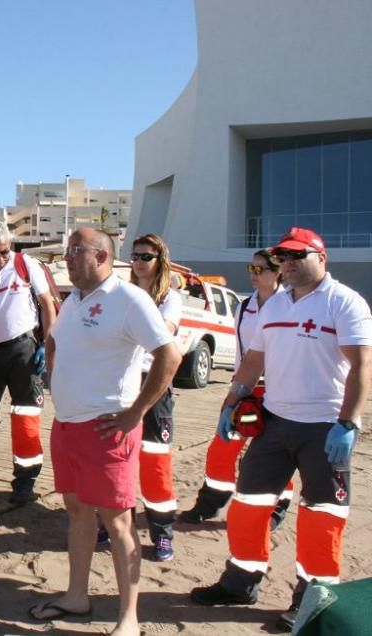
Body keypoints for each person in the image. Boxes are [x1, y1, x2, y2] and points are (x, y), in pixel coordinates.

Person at [191, 227, 372, 632]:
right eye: (282, 257)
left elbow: (362, 366)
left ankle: (313, 603)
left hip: (325, 427)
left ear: (321, 258)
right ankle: (240, 582)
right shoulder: (274, 306)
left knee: (321, 518)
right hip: (274, 423)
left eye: (296, 256)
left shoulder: (344, 302)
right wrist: (231, 402)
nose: (287, 264)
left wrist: (346, 423)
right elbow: (254, 361)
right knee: (248, 506)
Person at [30, 228, 180, 636]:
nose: (67, 257)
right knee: (77, 512)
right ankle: (77, 596)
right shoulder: (74, 300)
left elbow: (170, 355)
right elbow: (55, 341)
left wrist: (136, 412)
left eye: (75, 250)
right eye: (67, 251)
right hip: (68, 426)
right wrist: (54, 376)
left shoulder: (129, 299)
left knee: (118, 523)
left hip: (107, 428)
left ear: (102, 257)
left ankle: (128, 618)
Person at [180, 249, 292, 527]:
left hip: (279, 391)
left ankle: (276, 507)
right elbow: (244, 354)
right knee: (222, 448)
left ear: (277, 272)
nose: (253, 275)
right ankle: (210, 503)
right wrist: (236, 392)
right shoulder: (245, 306)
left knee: (275, 452)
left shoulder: (291, 305)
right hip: (246, 389)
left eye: (259, 270)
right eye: (250, 269)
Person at [0, 218, 57, 504]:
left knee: (26, 418)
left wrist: (47, 344)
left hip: (24, 350)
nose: (0, 258)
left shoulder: (25, 264)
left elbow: (46, 304)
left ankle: (25, 481)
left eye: (5, 251)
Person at [124, 234, 182, 562]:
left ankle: (162, 532)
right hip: (124, 381)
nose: (139, 262)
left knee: (155, 461)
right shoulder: (126, 295)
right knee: (120, 457)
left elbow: (163, 334)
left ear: (160, 260)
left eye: (146, 256)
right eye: (134, 256)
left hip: (155, 380)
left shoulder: (169, 298)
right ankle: (115, 521)